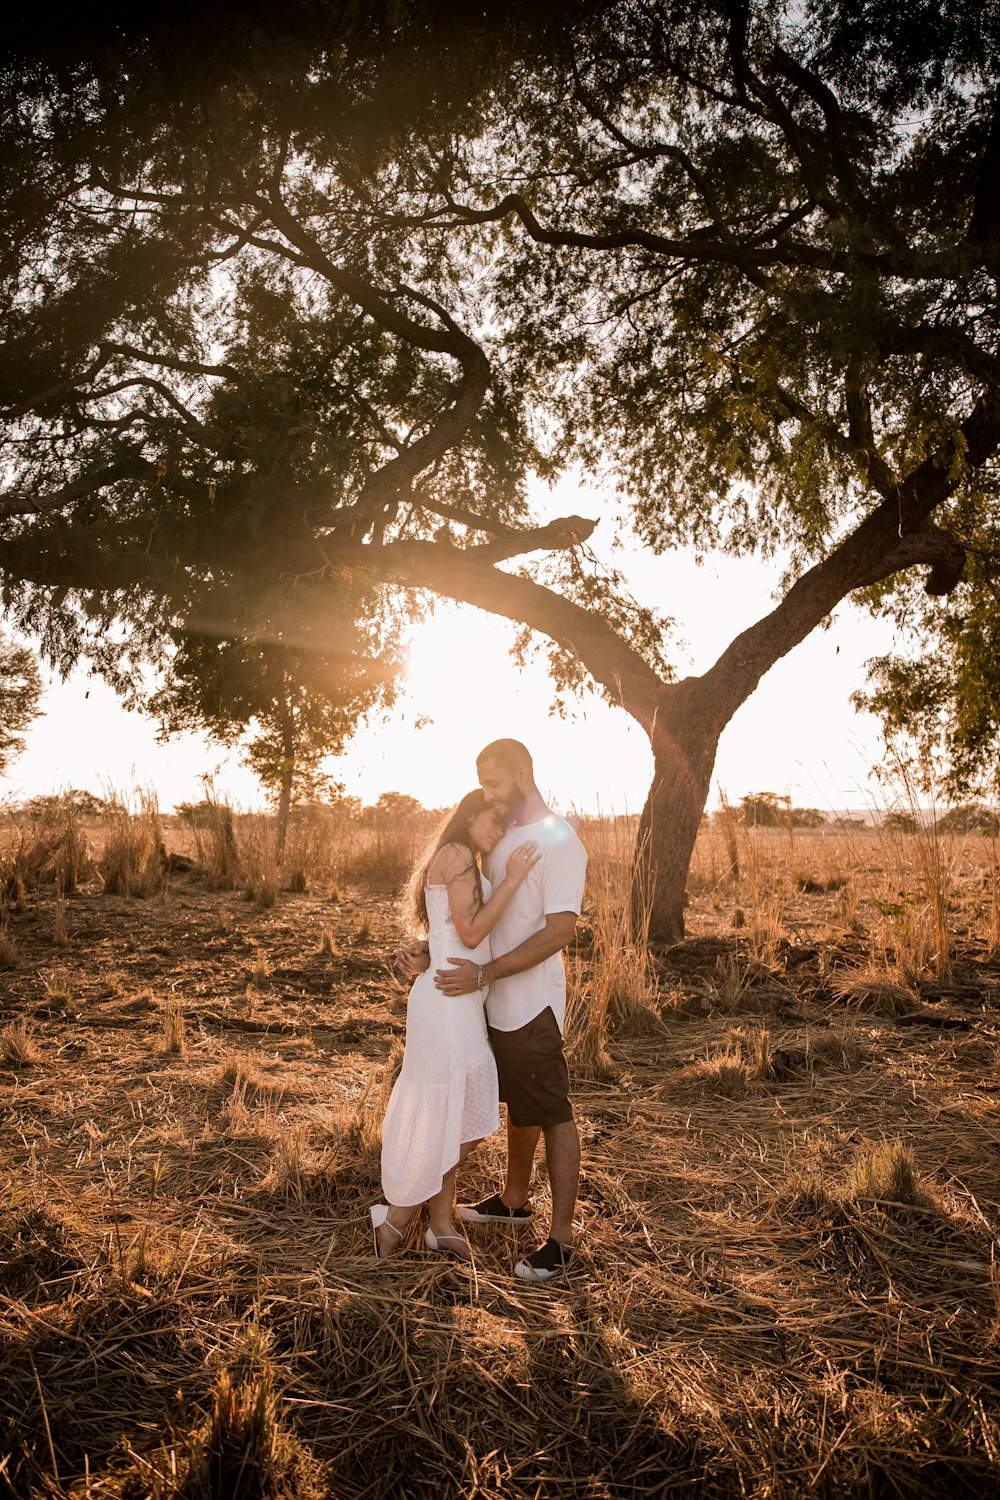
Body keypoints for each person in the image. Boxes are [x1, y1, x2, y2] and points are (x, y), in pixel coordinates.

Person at [398, 739, 587, 1282]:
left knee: (551, 1110)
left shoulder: (560, 843)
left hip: (531, 1004)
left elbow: (559, 932)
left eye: (495, 783)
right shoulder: (497, 838)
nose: (487, 795)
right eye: (482, 785)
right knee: (519, 1104)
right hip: (484, 1000)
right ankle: (513, 1201)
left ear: (524, 774)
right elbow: (473, 919)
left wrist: (488, 973)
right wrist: (430, 950)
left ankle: (561, 1241)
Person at [372, 789, 541, 1261]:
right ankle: (399, 1218)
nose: (499, 827)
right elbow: (469, 932)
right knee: (465, 1099)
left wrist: (424, 949)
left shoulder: (463, 857)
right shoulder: (459, 854)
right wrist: (512, 880)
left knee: (455, 1106)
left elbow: (451, 932)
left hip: (454, 996)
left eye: (506, 822)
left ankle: (441, 1224)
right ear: (469, 815)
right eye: (494, 817)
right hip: (447, 1002)